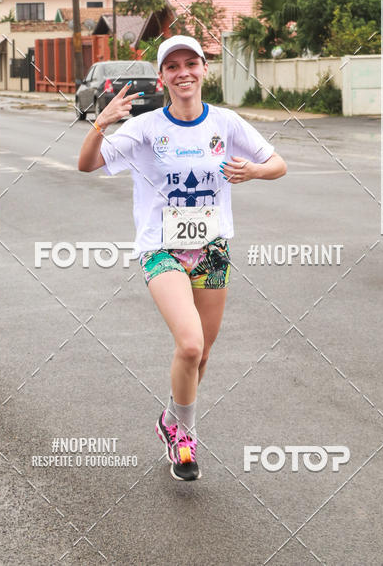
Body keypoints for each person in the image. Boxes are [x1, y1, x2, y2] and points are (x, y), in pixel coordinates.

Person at [78, 36, 286, 481]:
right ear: (162, 77)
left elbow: (278, 164)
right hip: (161, 249)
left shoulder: (227, 123)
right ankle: (184, 439)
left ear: (203, 70)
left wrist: (253, 171)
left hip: (212, 250)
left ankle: (171, 421)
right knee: (189, 343)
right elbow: (87, 164)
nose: (183, 72)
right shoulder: (147, 127)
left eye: (191, 63)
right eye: (173, 67)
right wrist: (102, 122)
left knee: (202, 354)